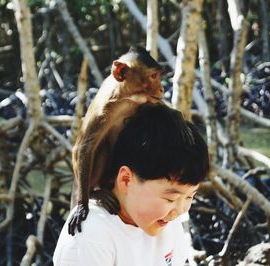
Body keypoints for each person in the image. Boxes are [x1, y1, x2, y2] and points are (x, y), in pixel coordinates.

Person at [53, 103, 210, 266]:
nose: (180, 210)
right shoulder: (91, 236)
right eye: (170, 199)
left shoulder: (166, 221)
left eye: (190, 196)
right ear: (126, 180)